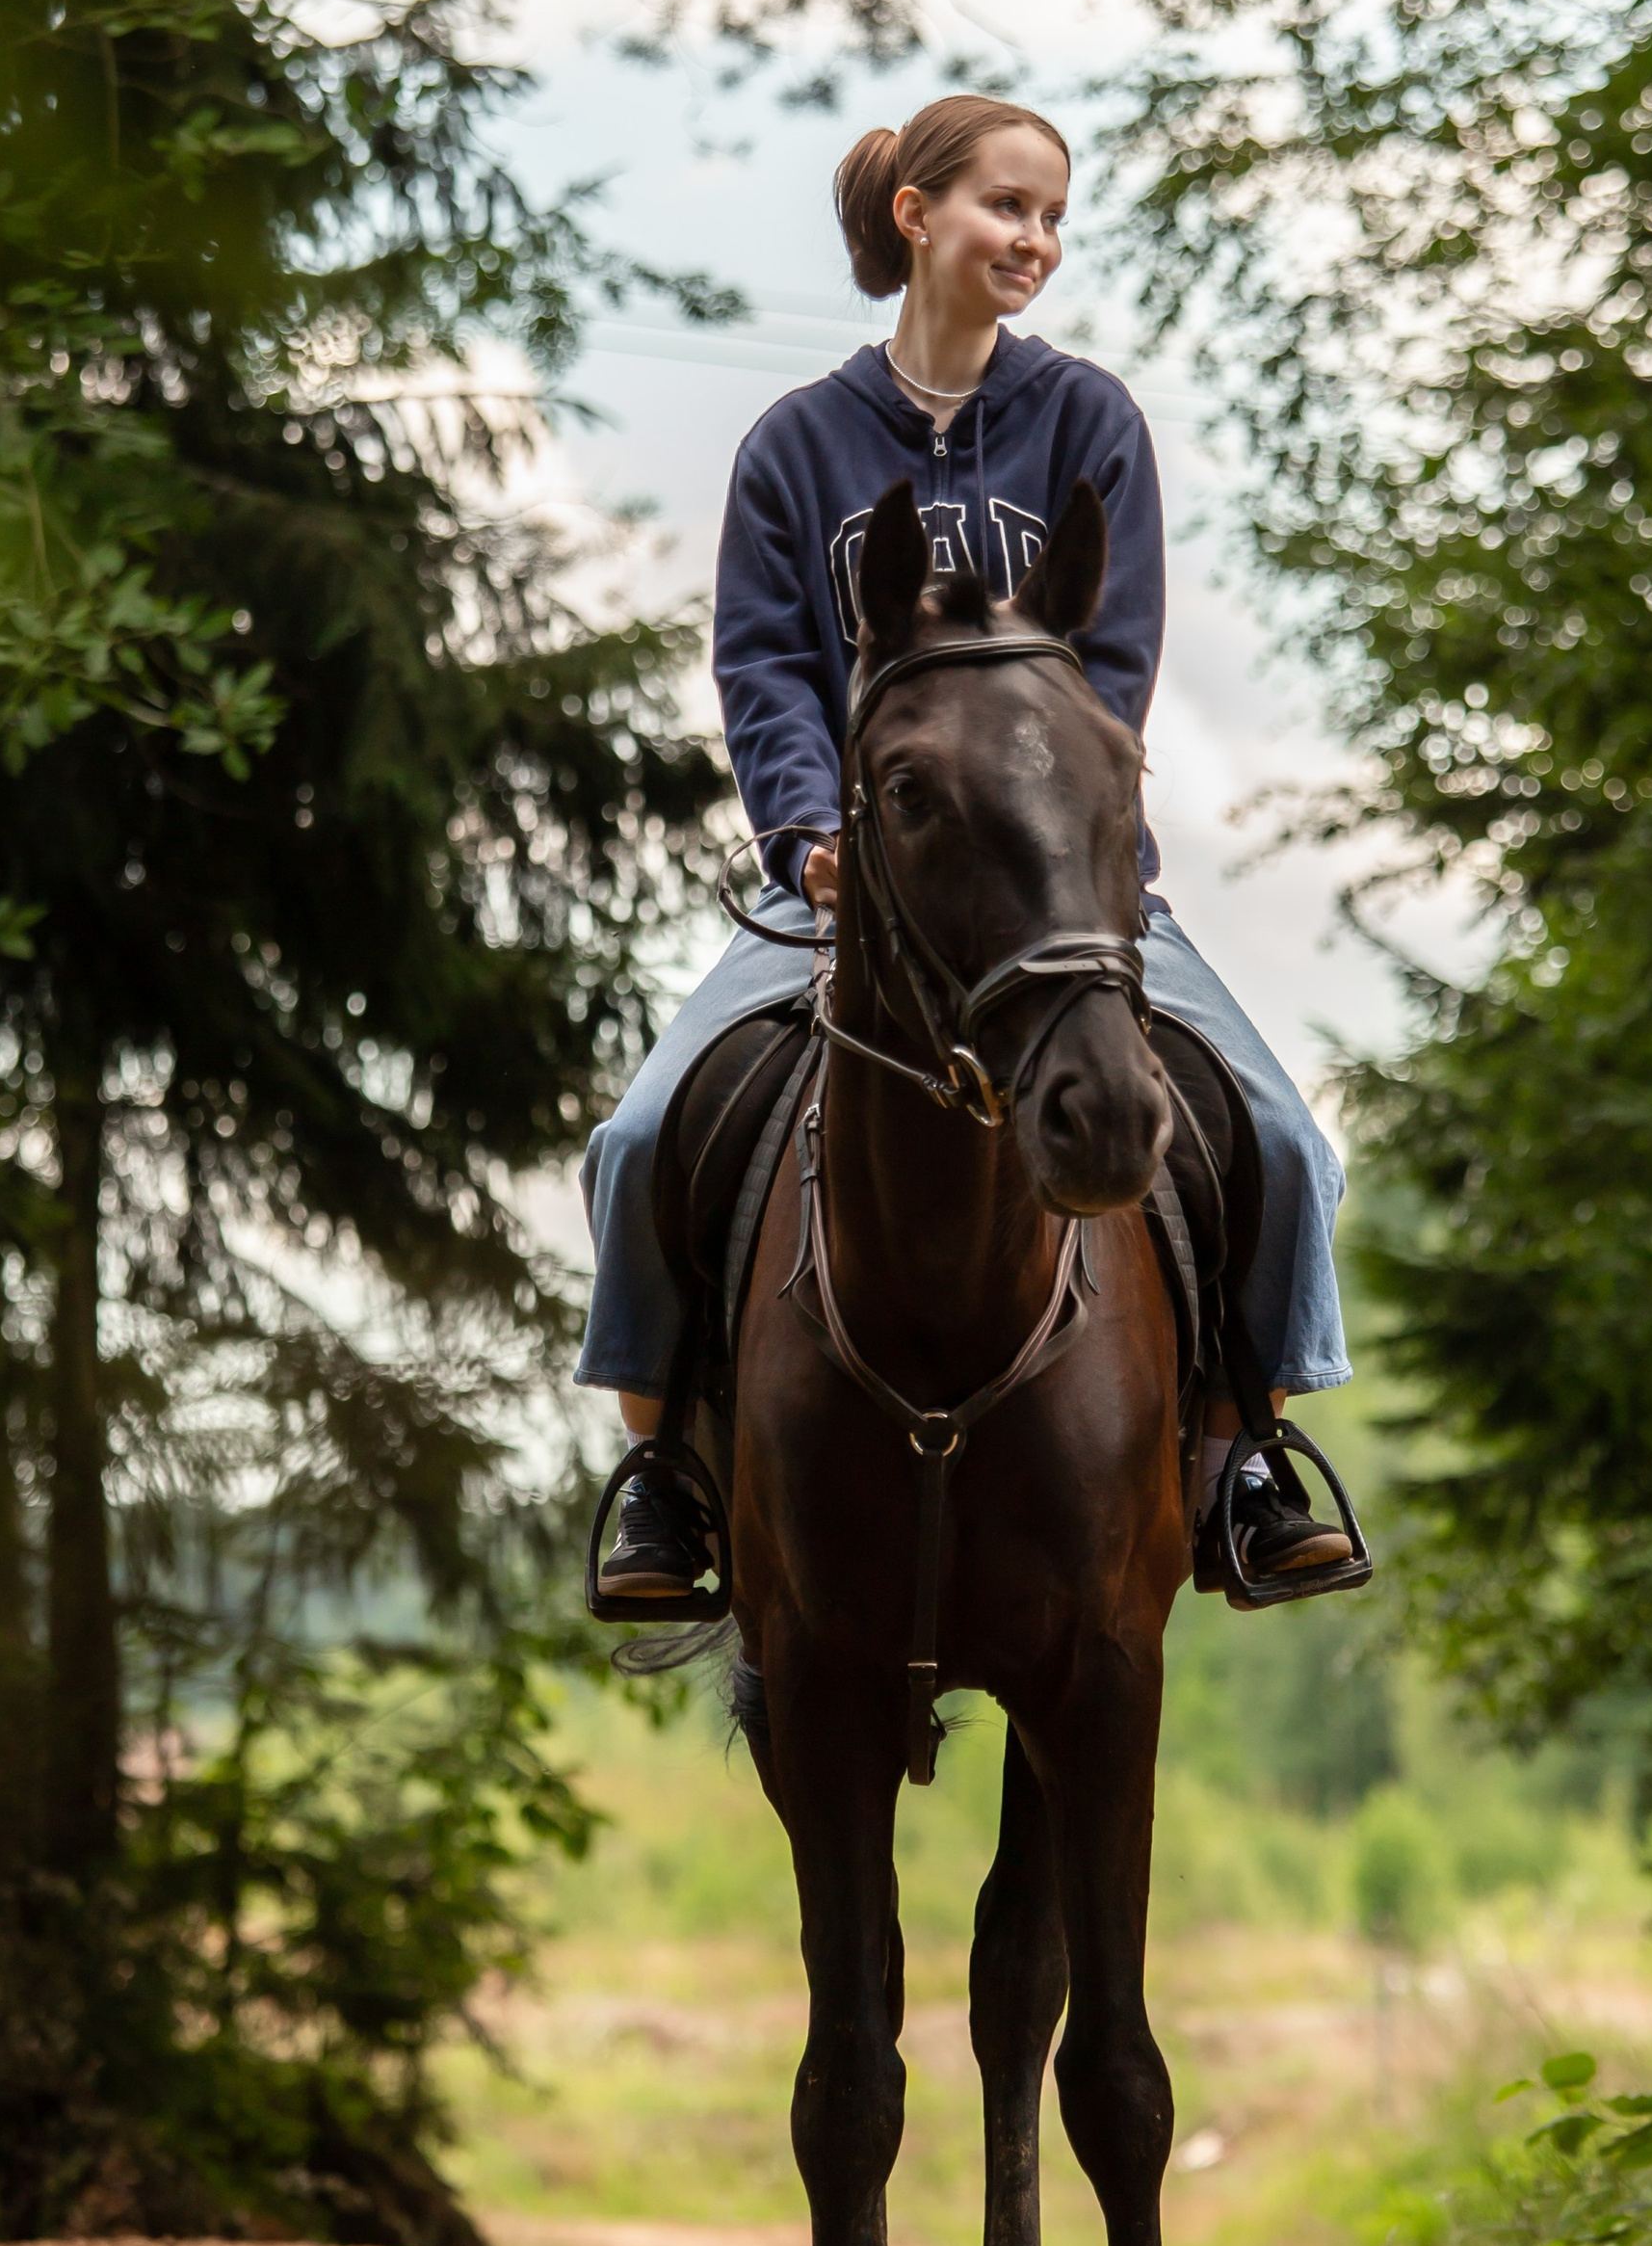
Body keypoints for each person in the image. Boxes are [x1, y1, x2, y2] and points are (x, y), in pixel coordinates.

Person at [578, 92, 1356, 1598]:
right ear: (915, 215)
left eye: (1055, 217)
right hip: (843, 892)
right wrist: (806, 834)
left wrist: (1070, 839)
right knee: (635, 1143)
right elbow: (765, 668)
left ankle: (1247, 1460)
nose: (1037, 240)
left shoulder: (1089, 426)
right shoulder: (796, 448)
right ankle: (669, 1478)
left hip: (1065, 893)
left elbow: (1110, 673)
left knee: (1276, 1138)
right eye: (1010, 207)